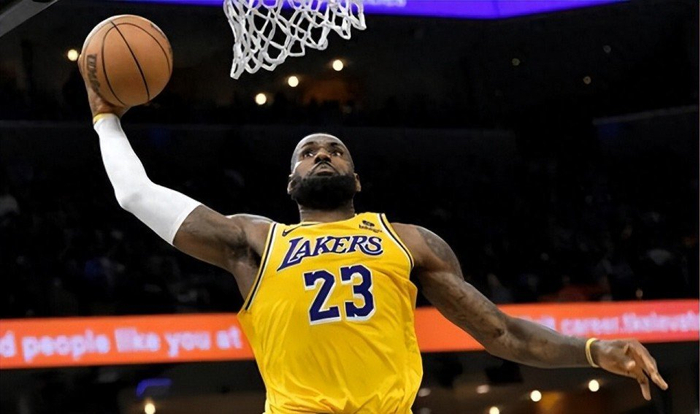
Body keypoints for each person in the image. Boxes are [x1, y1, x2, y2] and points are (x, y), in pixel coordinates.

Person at [79, 59, 667, 414]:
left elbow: (500, 332)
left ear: (356, 178)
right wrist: (106, 119)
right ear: (291, 183)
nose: (322, 154)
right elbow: (136, 194)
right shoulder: (254, 241)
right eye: (308, 152)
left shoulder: (410, 241)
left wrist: (593, 350)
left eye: (335, 149)